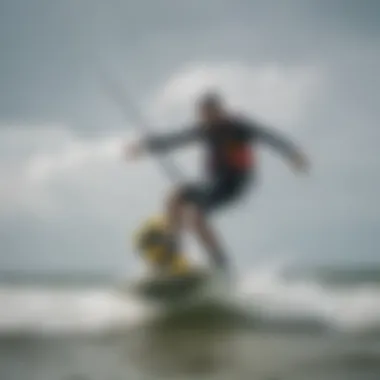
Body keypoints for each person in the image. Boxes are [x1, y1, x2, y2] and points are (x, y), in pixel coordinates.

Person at [124, 92, 309, 273]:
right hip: (213, 184)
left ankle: (221, 266)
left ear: (219, 111)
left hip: (235, 184)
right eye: (202, 115)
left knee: (196, 217)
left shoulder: (238, 127)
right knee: (174, 198)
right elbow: (174, 140)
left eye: (209, 114)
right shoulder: (205, 129)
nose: (205, 119)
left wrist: (293, 154)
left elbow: (268, 136)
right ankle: (172, 254)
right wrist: (144, 147)